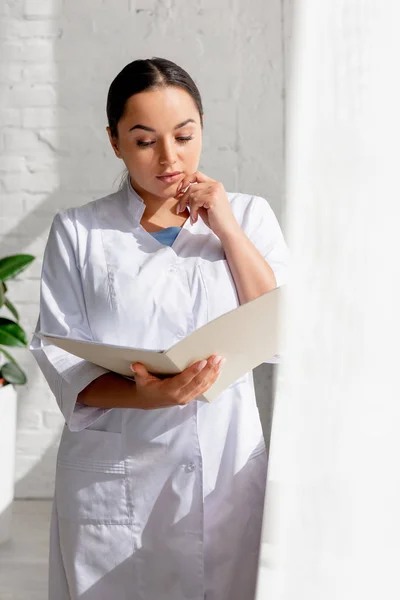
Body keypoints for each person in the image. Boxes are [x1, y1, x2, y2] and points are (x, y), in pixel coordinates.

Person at [29, 57, 290, 600]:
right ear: (115, 140)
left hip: (225, 474)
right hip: (118, 480)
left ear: (202, 126)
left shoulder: (249, 215)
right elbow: (61, 360)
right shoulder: (79, 232)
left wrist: (227, 229)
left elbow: (281, 331)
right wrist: (153, 396)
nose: (170, 158)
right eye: (145, 141)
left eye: (184, 135)